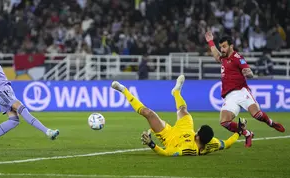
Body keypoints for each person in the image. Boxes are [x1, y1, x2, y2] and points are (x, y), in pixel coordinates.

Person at [111, 75, 246, 156]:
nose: (196, 131)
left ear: (197, 136)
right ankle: (176, 92)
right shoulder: (212, 143)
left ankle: (123, 90)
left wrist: (151, 144)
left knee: (149, 114)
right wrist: (239, 131)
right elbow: (227, 143)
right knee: (183, 109)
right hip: (185, 128)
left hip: (169, 136)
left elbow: (166, 153)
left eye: (197, 131)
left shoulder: (187, 150)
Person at [205, 31, 285, 147]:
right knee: (224, 122)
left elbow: (249, 72)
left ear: (231, 46)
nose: (222, 49)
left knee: (257, 115)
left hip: (241, 92)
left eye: (224, 46)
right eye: (221, 47)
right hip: (229, 96)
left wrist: (249, 73)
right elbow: (217, 56)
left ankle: (271, 123)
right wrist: (210, 41)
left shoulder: (238, 58)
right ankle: (247, 133)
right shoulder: (223, 57)